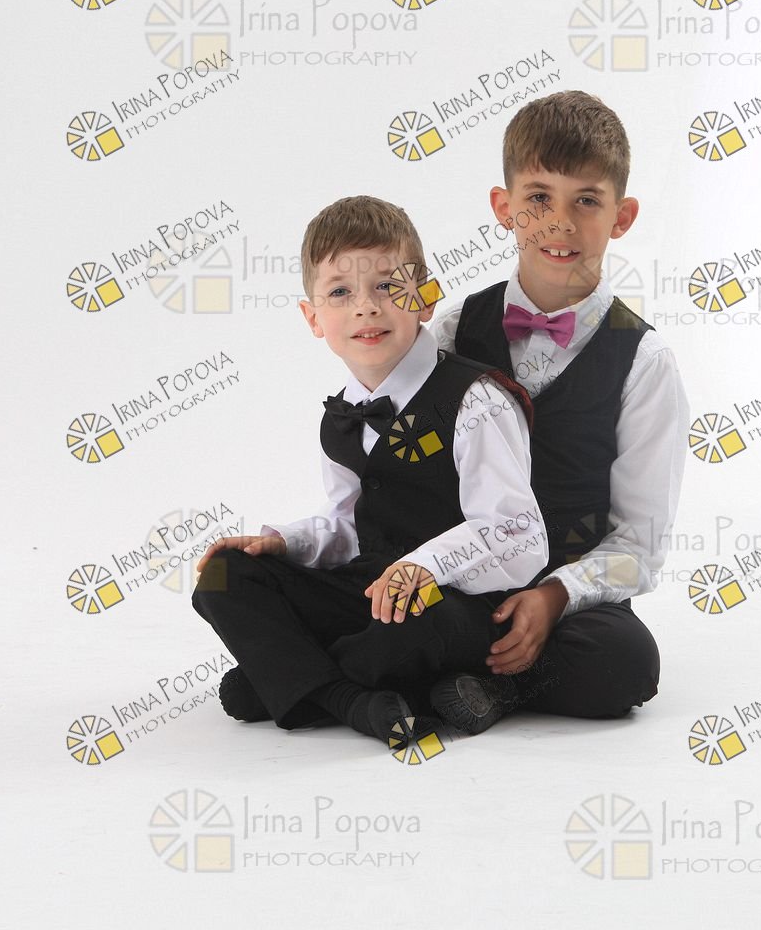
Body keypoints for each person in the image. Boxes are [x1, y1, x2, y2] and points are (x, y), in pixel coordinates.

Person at [190, 195, 547, 751]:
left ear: (425, 297)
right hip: (369, 593)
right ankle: (350, 701)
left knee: (409, 629)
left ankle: (288, 678)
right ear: (313, 318)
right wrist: (285, 543)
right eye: (340, 292)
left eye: (386, 285)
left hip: (452, 603)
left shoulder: (476, 399)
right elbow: (349, 526)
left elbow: (520, 535)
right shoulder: (342, 415)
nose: (366, 308)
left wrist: (425, 566)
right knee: (224, 576)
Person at [426, 89, 691, 734]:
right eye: (539, 198)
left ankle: (485, 684)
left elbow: (638, 542)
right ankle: (450, 671)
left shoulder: (645, 361)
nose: (559, 223)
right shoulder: (455, 330)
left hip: (572, 597)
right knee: (384, 602)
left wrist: (555, 595)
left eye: (587, 201)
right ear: (504, 207)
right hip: (462, 576)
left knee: (625, 662)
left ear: (622, 216)